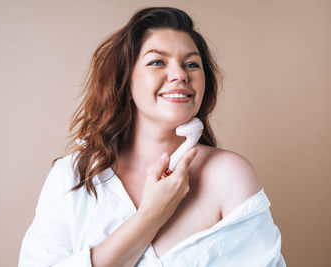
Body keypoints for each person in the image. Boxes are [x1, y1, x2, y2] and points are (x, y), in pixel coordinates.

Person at [19, 7, 286, 267]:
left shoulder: (228, 174)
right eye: (157, 62)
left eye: (191, 64)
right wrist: (150, 216)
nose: (180, 75)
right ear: (125, 81)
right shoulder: (73, 177)